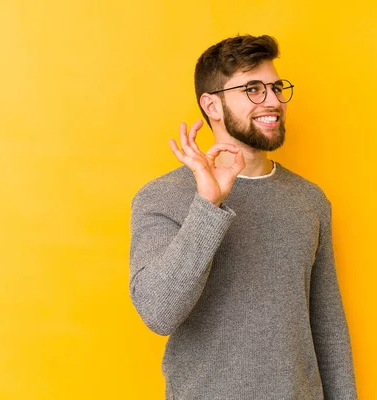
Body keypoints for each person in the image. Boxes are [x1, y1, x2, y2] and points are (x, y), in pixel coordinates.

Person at [129, 34, 358, 399]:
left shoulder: (309, 201)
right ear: (212, 106)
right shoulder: (161, 198)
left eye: (276, 87)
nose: (273, 101)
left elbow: (328, 327)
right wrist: (207, 205)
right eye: (252, 89)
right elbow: (158, 312)